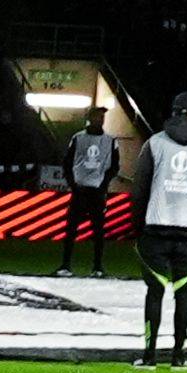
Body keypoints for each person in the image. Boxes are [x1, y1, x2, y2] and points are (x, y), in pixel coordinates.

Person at [134, 91, 187, 364]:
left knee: (154, 293)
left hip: (156, 228)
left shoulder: (154, 144)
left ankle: (148, 356)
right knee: (184, 293)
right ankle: (179, 356)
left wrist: (138, 228)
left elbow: (140, 189)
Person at [56, 111, 124, 280]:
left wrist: (103, 183)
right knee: (71, 229)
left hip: (97, 191)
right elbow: (67, 162)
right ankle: (65, 265)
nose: (99, 120)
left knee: (98, 230)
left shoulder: (110, 140)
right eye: (96, 117)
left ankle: (98, 266)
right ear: (89, 119)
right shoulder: (78, 138)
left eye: (102, 117)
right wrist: (73, 184)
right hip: (79, 190)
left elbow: (115, 166)